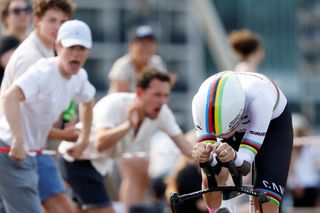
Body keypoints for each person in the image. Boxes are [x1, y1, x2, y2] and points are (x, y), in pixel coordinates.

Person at [59, 69, 193, 212]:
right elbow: (100, 144)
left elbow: (184, 144)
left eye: (166, 95)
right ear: (140, 93)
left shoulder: (162, 112)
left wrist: (208, 158)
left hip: (100, 167)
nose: (162, 101)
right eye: (157, 95)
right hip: (76, 159)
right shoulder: (113, 104)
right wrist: (128, 125)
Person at [0, 19, 95, 213]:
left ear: (88, 52)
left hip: (30, 152)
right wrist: (18, 139)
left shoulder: (79, 77)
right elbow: (10, 97)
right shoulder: (43, 72)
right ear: (58, 46)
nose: (76, 54)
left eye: (82, 48)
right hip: (9, 149)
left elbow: (88, 100)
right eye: (71, 47)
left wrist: (84, 139)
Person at [191, 71, 293, 213]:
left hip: (272, 125)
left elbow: (245, 165)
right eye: (219, 134)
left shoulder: (260, 99)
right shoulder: (199, 104)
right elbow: (213, 200)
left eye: (227, 131)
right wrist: (206, 160)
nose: (222, 136)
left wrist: (233, 156)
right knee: (210, 179)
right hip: (226, 119)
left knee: (265, 203)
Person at [108, 25, 169, 93]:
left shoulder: (157, 63)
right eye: (142, 43)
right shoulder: (122, 65)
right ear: (131, 45)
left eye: (150, 43)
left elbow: (161, 92)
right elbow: (121, 98)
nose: (146, 47)